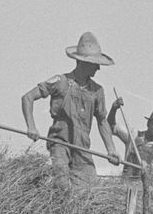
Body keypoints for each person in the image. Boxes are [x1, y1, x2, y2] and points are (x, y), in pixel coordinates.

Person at [21, 32, 121, 192]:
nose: (98, 67)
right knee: (62, 186)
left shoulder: (97, 91)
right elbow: (28, 98)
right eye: (95, 63)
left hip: (82, 148)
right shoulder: (60, 82)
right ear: (83, 62)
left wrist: (111, 149)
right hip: (60, 144)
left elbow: (102, 121)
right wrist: (31, 127)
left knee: (90, 192)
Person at [107, 97, 153, 180]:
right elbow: (110, 126)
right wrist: (113, 109)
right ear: (148, 123)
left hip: (142, 188)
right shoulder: (134, 135)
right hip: (124, 185)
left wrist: (146, 168)